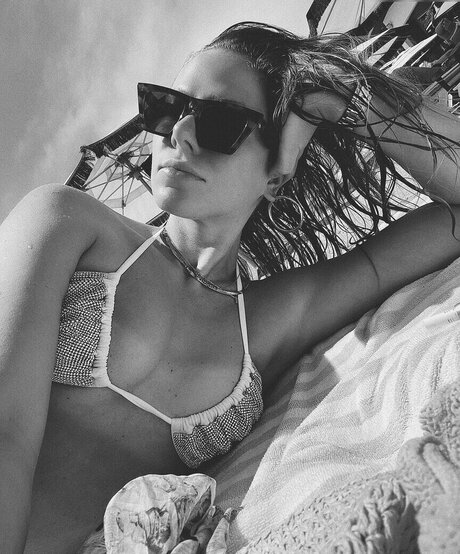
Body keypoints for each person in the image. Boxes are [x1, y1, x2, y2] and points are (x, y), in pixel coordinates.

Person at [1, 21, 459, 553]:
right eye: (165, 108)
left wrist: (340, 91)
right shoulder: (68, 223)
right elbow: (6, 433)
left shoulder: (273, 320)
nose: (179, 133)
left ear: (276, 175)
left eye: (220, 122)